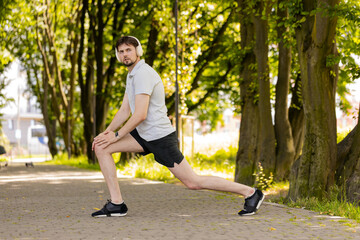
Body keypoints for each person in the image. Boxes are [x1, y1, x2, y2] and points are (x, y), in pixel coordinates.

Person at [91, 36, 264, 218]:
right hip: (143, 135)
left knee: (193, 182)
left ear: (137, 51)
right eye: (121, 51)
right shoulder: (132, 74)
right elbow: (125, 110)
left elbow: (140, 114)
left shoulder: (143, 74)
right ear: (117, 55)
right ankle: (117, 204)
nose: (125, 54)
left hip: (160, 137)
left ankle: (251, 193)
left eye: (128, 50)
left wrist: (117, 135)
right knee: (102, 147)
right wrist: (106, 133)